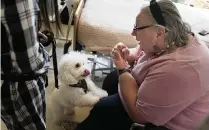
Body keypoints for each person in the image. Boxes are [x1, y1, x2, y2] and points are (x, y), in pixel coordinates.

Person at [75, 0, 209, 130]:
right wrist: (129, 56)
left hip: (164, 123)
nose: (133, 33)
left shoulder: (180, 69)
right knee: (111, 80)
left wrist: (123, 69)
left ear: (159, 32)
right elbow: (143, 53)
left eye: (137, 28)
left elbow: (139, 115)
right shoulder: (172, 37)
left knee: (103, 109)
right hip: (154, 89)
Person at [1, 0, 60, 129]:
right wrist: (40, 53)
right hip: (20, 84)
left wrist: (31, 35)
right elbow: (29, 66)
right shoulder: (18, 3)